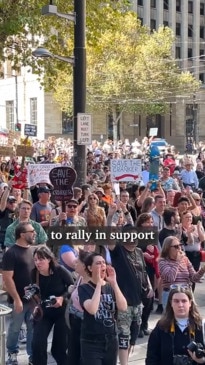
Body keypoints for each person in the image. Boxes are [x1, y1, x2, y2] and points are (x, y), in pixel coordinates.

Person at [78, 252, 127, 365]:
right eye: (98, 263)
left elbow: (123, 307)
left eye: (104, 263)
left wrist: (114, 283)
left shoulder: (111, 287)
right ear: (90, 268)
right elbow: (92, 309)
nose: (102, 265)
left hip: (111, 340)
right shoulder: (84, 289)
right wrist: (99, 284)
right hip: (91, 342)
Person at [31, 246, 74, 365]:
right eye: (35, 260)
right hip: (45, 311)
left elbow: (72, 289)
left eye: (41, 259)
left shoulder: (60, 270)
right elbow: (35, 294)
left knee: (58, 350)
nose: (38, 263)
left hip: (62, 311)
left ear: (49, 259)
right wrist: (32, 295)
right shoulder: (34, 273)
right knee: (37, 345)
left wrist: (61, 298)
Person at [2, 222, 36, 365]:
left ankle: (32, 355)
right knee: (15, 329)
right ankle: (12, 353)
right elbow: (7, 278)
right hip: (18, 299)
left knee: (32, 329)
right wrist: (16, 299)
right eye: (31, 231)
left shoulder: (33, 251)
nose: (34, 233)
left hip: (33, 299)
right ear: (22, 234)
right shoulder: (11, 253)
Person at [146, 286, 205, 365]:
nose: (180, 305)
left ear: (190, 303)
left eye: (184, 301)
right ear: (171, 303)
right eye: (176, 301)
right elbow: (152, 357)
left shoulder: (201, 326)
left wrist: (202, 361)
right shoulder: (162, 327)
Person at [159, 236, 205, 308]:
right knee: (171, 319)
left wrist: (202, 270)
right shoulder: (163, 261)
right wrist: (177, 261)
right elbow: (170, 278)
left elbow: (194, 278)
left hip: (185, 294)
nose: (179, 248)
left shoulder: (185, 259)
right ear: (168, 248)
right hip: (170, 295)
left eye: (180, 245)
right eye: (176, 246)